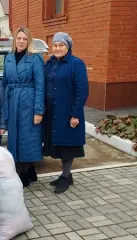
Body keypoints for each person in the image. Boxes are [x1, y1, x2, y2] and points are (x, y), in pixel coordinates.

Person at [43, 32, 89, 194]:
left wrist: (75, 114)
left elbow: (82, 90)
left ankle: (65, 177)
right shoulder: (50, 63)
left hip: (68, 112)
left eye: (61, 45)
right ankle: (66, 175)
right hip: (53, 112)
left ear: (68, 47)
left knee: (68, 145)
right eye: (55, 45)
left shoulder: (76, 64)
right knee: (60, 144)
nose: (57, 48)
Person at [3, 27, 45, 187]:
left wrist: (38, 110)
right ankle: (26, 170)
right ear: (15, 40)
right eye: (18, 38)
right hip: (13, 100)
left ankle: (25, 172)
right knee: (15, 137)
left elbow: (40, 85)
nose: (21, 41)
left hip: (28, 101)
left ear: (29, 41)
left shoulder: (35, 58)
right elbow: (5, 82)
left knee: (28, 138)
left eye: (24, 39)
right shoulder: (8, 58)